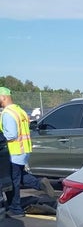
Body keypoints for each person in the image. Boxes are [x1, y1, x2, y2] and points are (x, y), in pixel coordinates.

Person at [0, 87, 56, 217]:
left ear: (3, 97)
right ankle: (39, 183)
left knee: (14, 181)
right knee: (20, 176)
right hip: (24, 150)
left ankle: (16, 209)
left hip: (13, 151)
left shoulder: (8, 113)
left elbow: (11, 135)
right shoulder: (20, 111)